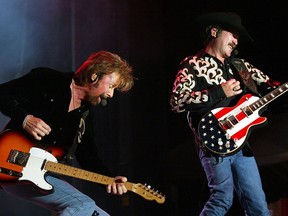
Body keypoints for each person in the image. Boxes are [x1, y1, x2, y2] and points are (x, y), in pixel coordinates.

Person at [170, 12, 283, 215]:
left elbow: (270, 84)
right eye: (233, 34)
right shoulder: (192, 64)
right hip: (213, 142)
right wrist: (219, 91)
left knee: (258, 204)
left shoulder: (240, 65)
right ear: (215, 31)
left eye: (238, 38)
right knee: (222, 198)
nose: (235, 41)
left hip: (241, 142)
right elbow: (177, 102)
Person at [0, 50, 134, 216]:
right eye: (111, 86)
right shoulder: (47, 79)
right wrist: (25, 118)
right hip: (9, 164)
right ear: (94, 76)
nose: (111, 94)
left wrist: (109, 179)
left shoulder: (85, 115)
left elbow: (88, 157)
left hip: (40, 175)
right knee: (83, 204)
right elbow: (2, 93)